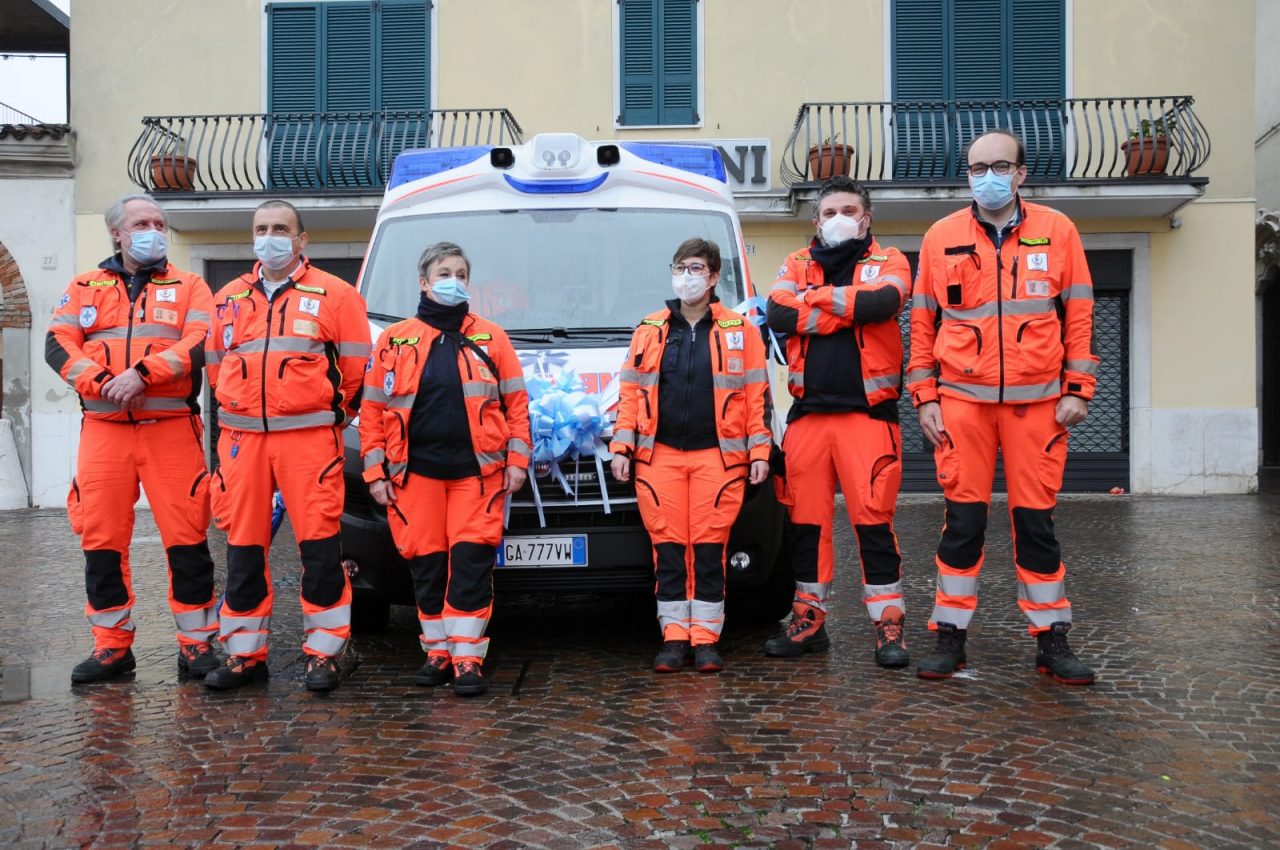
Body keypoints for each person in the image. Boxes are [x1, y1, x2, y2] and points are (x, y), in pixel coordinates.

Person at [907, 129, 1098, 685]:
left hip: (1038, 407)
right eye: (977, 167)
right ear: (967, 175)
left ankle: (1051, 638)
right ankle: (949, 636)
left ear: (1020, 173)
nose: (988, 176)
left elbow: (1079, 313)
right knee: (962, 523)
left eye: (999, 166)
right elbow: (922, 323)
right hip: (961, 405)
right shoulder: (941, 236)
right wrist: (924, 397)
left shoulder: (1058, 230)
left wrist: (1077, 389)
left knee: (1036, 524)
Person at [46, 193, 220, 683]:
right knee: (100, 540)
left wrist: (143, 374)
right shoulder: (84, 287)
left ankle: (196, 644)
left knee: (187, 538)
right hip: (104, 432)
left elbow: (200, 342)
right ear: (117, 233)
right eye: (142, 223)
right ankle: (111, 647)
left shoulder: (190, 285)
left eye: (159, 223)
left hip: (171, 430)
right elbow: (57, 345)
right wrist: (103, 383)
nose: (154, 231)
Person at [204, 199, 371, 692]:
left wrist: (328, 416)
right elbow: (216, 366)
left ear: (302, 240)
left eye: (280, 228)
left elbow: (357, 371)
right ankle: (244, 654)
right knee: (242, 548)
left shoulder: (337, 294)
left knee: (319, 548)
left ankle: (327, 653)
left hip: (309, 441)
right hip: (243, 442)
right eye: (261, 228)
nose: (269, 237)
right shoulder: (228, 297)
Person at [359, 242, 531, 697]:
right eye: (444, 274)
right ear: (423, 282)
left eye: (460, 274)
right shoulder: (394, 340)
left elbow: (517, 405)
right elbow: (372, 411)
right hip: (415, 475)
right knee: (428, 564)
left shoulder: (492, 337)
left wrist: (517, 462)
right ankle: (438, 652)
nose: (453, 281)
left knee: (471, 563)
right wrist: (375, 474)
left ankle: (468, 658)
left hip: (479, 475)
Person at [763, 176, 913, 668]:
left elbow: (883, 303)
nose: (838, 219)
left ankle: (888, 622)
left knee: (873, 524)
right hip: (807, 417)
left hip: (868, 417)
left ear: (866, 218)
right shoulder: (795, 263)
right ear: (816, 220)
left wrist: (816, 298)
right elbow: (777, 314)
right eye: (829, 212)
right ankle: (808, 619)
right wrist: (846, 308)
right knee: (806, 526)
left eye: (848, 210)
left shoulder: (890, 260)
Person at [610, 238, 772, 674]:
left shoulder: (741, 330)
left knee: (708, 549)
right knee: (668, 549)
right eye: (680, 268)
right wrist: (622, 446)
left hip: (718, 459)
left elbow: (756, 396)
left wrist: (760, 450)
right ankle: (673, 638)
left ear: (714, 276)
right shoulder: (649, 329)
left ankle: (705, 640)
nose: (687, 276)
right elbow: (630, 394)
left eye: (696, 268)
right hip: (659, 457)